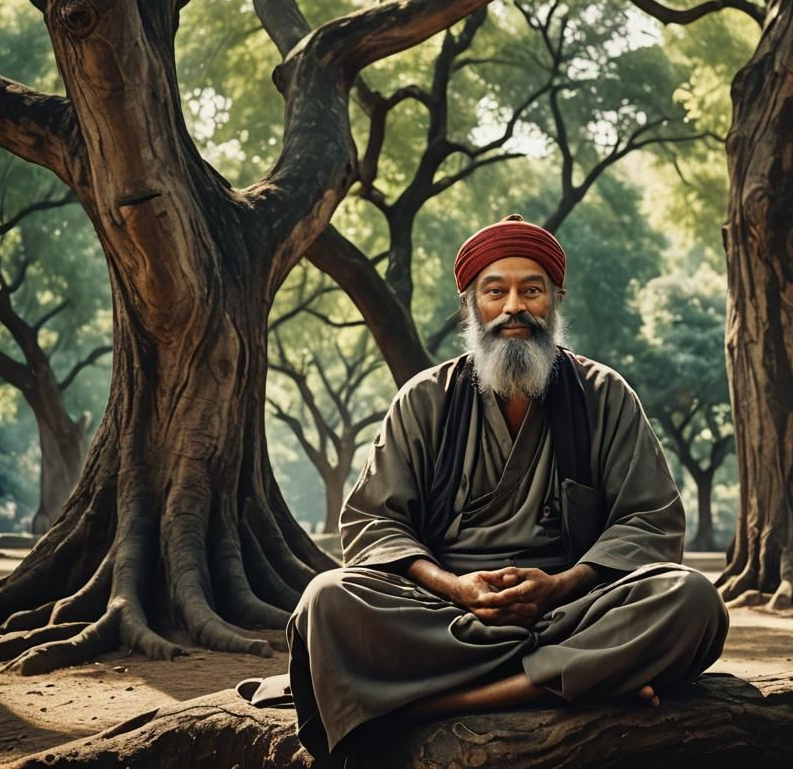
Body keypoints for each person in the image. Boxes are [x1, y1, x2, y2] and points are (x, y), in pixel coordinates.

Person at [280, 215, 728, 759]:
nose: (514, 306)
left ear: (554, 302)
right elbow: (375, 525)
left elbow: (650, 522)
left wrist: (561, 586)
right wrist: (455, 587)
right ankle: (582, 679)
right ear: (472, 306)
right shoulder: (426, 399)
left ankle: (433, 705)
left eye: (531, 290)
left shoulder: (603, 395)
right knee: (326, 600)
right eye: (496, 291)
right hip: (447, 620)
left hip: (571, 615)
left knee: (693, 599)